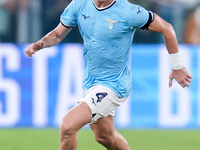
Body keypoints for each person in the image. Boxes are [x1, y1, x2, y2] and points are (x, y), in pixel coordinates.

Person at [25, 0, 193, 149]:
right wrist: (41, 44)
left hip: (114, 85)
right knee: (104, 137)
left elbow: (167, 28)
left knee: (68, 126)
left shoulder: (129, 12)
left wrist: (177, 65)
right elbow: (57, 34)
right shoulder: (79, 4)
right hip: (91, 83)